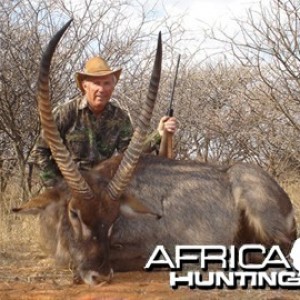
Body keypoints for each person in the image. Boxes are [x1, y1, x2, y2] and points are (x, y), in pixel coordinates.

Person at [30, 56, 177, 187]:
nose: (102, 89)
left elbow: (131, 153)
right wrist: (55, 185)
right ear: (85, 86)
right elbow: (39, 151)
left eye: (107, 83)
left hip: (102, 187)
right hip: (69, 187)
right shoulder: (65, 113)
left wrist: (159, 133)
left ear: (113, 87)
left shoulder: (119, 117)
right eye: (96, 83)